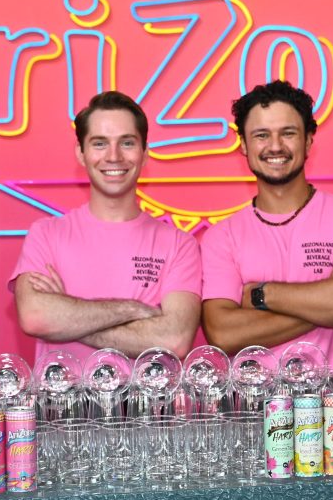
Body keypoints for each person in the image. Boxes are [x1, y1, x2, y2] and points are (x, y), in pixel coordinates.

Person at [200, 80, 333, 363]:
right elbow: (224, 334)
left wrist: (261, 295)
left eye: (288, 133)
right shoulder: (221, 236)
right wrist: (328, 300)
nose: (275, 146)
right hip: (256, 406)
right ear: (243, 145)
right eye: (261, 135)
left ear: (308, 140)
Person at [11, 92, 201, 360]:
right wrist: (133, 309)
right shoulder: (46, 234)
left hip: (145, 403)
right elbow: (35, 316)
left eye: (127, 142)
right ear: (81, 153)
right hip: (61, 401)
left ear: (145, 153)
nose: (113, 156)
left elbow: (174, 339)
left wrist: (66, 318)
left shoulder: (179, 244)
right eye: (99, 143)